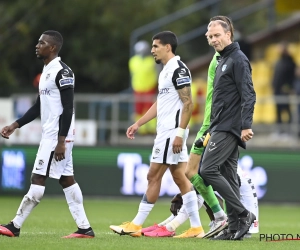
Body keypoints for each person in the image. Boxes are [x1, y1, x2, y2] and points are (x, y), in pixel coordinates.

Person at [0, 30, 94, 239]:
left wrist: (61, 141)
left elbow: (68, 108)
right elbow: (38, 106)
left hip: (57, 137)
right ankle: (85, 229)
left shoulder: (63, 72)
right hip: (55, 135)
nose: (37, 45)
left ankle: (14, 226)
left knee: (37, 177)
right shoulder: (46, 72)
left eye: (41, 43)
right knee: (66, 179)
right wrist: (15, 124)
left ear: (52, 47)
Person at [110, 31, 204, 238]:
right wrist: (138, 123)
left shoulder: (178, 69)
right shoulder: (164, 71)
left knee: (153, 175)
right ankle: (196, 227)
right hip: (168, 131)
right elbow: (161, 103)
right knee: (180, 177)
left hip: (172, 132)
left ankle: (136, 224)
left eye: (155, 46)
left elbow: (188, 103)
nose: (152, 50)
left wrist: (180, 134)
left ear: (168, 47)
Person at [199, 16, 256, 241]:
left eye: (217, 35)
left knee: (207, 170)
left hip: (230, 127)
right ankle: (233, 228)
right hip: (221, 126)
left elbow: (248, 93)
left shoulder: (238, 59)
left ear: (228, 35)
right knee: (228, 175)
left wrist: (246, 125)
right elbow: (221, 101)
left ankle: (243, 214)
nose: (213, 40)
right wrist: (209, 130)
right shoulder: (223, 59)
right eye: (210, 36)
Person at [142, 165, 259, 238]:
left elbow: (199, 195)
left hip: (242, 225)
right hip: (246, 219)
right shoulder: (222, 162)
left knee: (199, 191)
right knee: (200, 190)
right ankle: (165, 226)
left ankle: (170, 227)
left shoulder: (214, 164)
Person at [129, 40, 159, 135]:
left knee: (150, 108)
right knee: (138, 109)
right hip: (137, 89)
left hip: (149, 88)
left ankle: (151, 128)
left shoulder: (152, 61)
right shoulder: (132, 61)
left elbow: (157, 74)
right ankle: (140, 129)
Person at [272, 41, 296, 133]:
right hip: (277, 90)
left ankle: (289, 131)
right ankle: (279, 131)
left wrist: (288, 87)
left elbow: (291, 77)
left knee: (287, 110)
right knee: (278, 111)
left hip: (285, 90)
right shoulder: (278, 62)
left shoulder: (290, 61)